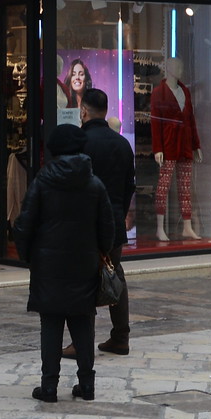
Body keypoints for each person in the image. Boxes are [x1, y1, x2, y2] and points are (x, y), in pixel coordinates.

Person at [12, 124, 114, 404]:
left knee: (51, 321)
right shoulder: (94, 184)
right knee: (83, 320)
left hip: (49, 264)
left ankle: (49, 387)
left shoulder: (43, 181)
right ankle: (86, 384)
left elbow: (26, 222)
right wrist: (101, 251)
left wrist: (28, 255)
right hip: (84, 261)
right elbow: (107, 228)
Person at [76, 85, 135, 355]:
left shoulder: (81, 142)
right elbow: (128, 186)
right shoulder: (122, 144)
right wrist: (121, 212)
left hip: (87, 221)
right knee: (115, 273)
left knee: (83, 277)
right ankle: (120, 335)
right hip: (113, 218)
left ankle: (81, 340)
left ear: (83, 110)